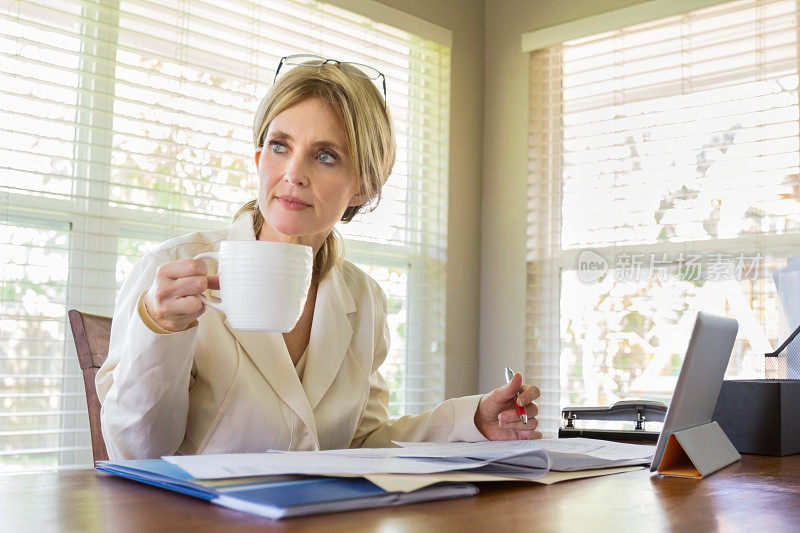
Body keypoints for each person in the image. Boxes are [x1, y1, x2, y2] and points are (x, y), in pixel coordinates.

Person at [96, 55, 541, 460]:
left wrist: (471, 422)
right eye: (279, 146)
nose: (293, 174)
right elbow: (135, 453)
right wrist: (160, 331)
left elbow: (361, 444)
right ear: (258, 159)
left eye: (325, 156)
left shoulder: (364, 299)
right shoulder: (172, 274)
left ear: (363, 186)